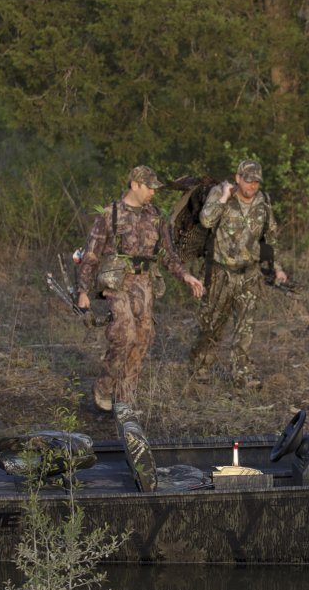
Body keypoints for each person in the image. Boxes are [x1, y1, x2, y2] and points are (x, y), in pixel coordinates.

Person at [76, 165, 204, 412]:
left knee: (144, 337)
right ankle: (104, 386)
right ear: (134, 185)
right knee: (124, 334)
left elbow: (168, 255)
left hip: (145, 283)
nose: (153, 193)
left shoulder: (157, 217)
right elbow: (91, 255)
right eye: (149, 187)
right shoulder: (109, 214)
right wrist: (83, 291)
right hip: (117, 282)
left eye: (155, 188)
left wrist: (186, 276)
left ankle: (125, 398)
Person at [189, 159, 288, 388]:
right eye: (248, 180)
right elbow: (206, 220)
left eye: (256, 182)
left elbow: (270, 237)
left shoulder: (263, 201)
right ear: (238, 178)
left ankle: (242, 373)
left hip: (249, 274)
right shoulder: (221, 194)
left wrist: (277, 267)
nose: (253, 185)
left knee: (245, 327)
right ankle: (201, 367)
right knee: (212, 325)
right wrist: (224, 197)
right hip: (220, 274)